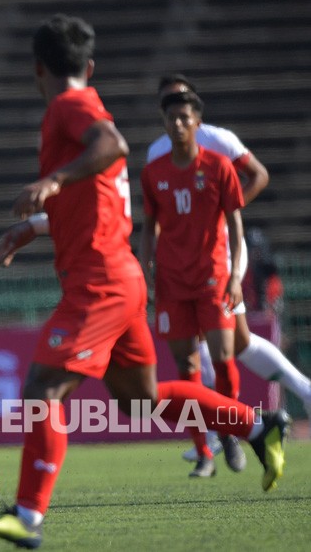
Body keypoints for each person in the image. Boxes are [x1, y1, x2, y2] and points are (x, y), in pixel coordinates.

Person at [0, 14, 290, 549]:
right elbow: (101, 202)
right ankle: (258, 427)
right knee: (140, 400)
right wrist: (36, 225)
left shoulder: (70, 107)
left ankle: (26, 516)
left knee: (43, 388)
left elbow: (113, 144)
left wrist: (52, 179)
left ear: (37, 68)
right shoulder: (78, 116)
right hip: (118, 274)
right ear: (88, 65)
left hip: (100, 283)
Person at [147, 75, 311, 462]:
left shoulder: (218, 140)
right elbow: (158, 207)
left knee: (227, 344)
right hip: (181, 263)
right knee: (219, 346)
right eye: (168, 102)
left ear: (194, 106)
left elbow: (258, 175)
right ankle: (227, 428)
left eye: (182, 100)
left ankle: (235, 426)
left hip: (219, 257)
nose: (176, 110)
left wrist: (222, 211)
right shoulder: (158, 151)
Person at [139, 90, 246, 477]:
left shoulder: (219, 166)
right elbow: (148, 229)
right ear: (164, 124)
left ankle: (230, 430)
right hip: (171, 282)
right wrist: (144, 272)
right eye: (172, 118)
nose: (178, 124)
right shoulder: (154, 172)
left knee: (223, 359)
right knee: (185, 369)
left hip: (213, 278)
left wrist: (235, 276)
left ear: (197, 122)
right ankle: (204, 452)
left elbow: (235, 225)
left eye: (185, 117)